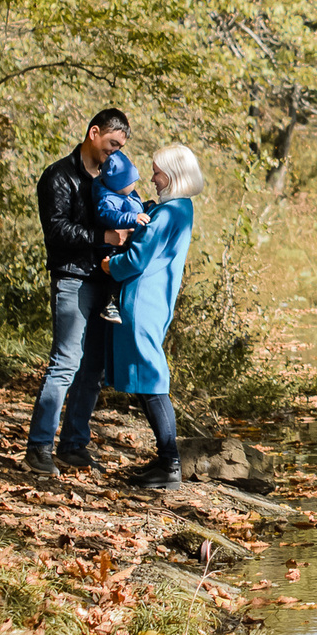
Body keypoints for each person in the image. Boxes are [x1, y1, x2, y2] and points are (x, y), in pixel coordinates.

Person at [27, 107, 134, 478]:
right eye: (111, 144)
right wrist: (103, 237)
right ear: (94, 133)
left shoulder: (110, 178)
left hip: (103, 283)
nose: (115, 153)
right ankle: (39, 447)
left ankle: (74, 445)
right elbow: (55, 232)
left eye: (120, 148)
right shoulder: (58, 176)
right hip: (72, 279)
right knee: (65, 364)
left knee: (92, 370)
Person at [102, 144, 205, 490]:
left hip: (141, 302)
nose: (153, 177)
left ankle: (169, 464)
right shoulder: (181, 209)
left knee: (151, 380)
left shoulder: (166, 215)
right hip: (155, 301)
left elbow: (135, 260)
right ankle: (165, 461)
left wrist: (108, 265)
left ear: (173, 175)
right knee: (148, 380)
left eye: (158, 171)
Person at [91, 148, 152, 325]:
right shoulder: (107, 199)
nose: (134, 186)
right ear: (118, 184)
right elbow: (110, 216)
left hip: (126, 240)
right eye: (130, 183)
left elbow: (135, 205)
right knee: (114, 272)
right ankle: (110, 304)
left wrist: (147, 207)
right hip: (112, 245)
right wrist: (133, 218)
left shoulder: (127, 193)